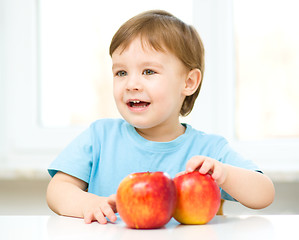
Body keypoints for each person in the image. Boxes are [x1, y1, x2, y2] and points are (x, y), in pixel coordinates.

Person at [46, 10, 275, 224]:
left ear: (188, 82)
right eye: (121, 72)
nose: (131, 84)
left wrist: (225, 174)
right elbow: (57, 189)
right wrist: (87, 203)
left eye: (149, 71)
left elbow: (264, 194)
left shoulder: (209, 151)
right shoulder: (100, 137)